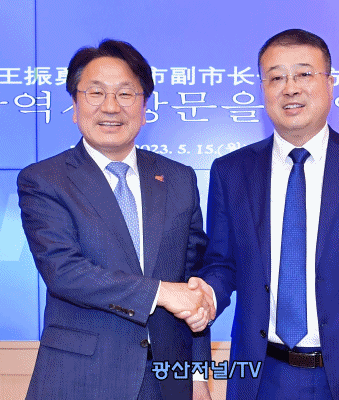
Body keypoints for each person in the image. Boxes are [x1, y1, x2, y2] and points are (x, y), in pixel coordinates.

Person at [195, 29, 339, 400]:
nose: (290, 88)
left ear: (330, 84)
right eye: (276, 78)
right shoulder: (231, 171)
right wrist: (205, 296)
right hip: (261, 375)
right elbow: (222, 263)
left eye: (303, 74)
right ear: (263, 88)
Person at [18, 39, 214, 400]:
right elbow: (65, 272)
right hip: (82, 380)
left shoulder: (179, 178)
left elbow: (192, 281)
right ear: (75, 105)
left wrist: (198, 373)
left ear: (144, 106)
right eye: (96, 92)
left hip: (167, 381)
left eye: (125, 93)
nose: (111, 106)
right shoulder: (45, 180)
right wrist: (160, 292)